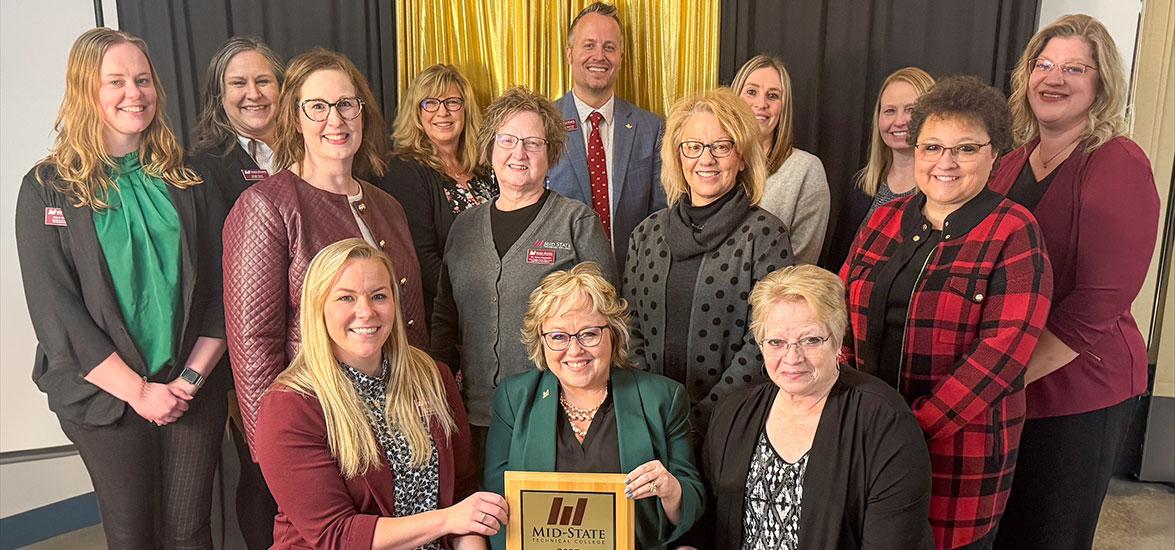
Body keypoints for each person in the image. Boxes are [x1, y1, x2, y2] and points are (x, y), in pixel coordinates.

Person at [15, 27, 228, 549]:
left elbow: (225, 288)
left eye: (143, 79)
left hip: (188, 389)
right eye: (117, 81)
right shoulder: (47, 188)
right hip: (104, 397)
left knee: (190, 532)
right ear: (87, 91)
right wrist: (138, 392)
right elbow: (55, 312)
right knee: (133, 535)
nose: (135, 93)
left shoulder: (191, 178)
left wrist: (188, 382)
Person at [840, 75, 1054, 549]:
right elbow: (837, 310)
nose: (946, 163)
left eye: (966, 148)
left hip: (959, 459)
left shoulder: (1015, 232)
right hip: (864, 448)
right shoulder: (884, 218)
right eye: (932, 147)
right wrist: (848, 415)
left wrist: (905, 431)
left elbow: (999, 359)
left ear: (994, 154)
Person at [989, 15, 1161, 550]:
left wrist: (1003, 378)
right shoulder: (1008, 164)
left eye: (1075, 68)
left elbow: (1098, 302)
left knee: (1050, 535)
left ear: (1100, 84)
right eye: (1044, 65)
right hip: (1012, 381)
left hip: (1082, 389)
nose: (1054, 78)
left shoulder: (1117, 162)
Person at [223, 49, 428, 457]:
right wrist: (276, 449)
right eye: (317, 107)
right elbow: (254, 344)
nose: (335, 120)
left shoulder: (388, 206)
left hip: (399, 416)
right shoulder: (267, 206)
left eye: (346, 105)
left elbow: (411, 320)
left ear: (362, 113)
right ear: (295, 119)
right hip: (321, 425)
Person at [256, 239, 504, 550]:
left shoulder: (433, 377)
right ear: (317, 307)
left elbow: (462, 497)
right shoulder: (290, 406)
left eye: (378, 296)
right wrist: (448, 520)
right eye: (346, 298)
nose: (366, 311)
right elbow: (336, 535)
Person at [431, 86, 616, 472]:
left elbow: (608, 322)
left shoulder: (575, 222)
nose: (519, 153)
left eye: (533, 143)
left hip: (556, 416)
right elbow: (446, 322)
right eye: (508, 140)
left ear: (550, 155)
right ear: (491, 148)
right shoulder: (464, 228)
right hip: (475, 416)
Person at [689, 265, 932, 549]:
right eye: (777, 342)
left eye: (811, 340)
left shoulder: (885, 421)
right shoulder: (733, 412)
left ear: (838, 339)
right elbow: (706, 520)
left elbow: (894, 542)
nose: (793, 357)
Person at [484, 263, 703, 549]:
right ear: (541, 341)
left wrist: (671, 489)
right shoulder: (514, 398)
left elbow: (692, 506)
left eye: (589, 334)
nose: (574, 350)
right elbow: (497, 505)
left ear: (613, 333)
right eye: (558, 336)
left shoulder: (663, 397)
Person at [624, 88, 794, 437]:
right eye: (694, 146)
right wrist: (654, 408)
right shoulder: (646, 234)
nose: (707, 159)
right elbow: (630, 327)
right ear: (678, 156)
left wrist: (702, 419)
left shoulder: (765, 235)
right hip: (650, 421)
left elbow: (766, 340)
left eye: (722, 146)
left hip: (733, 422)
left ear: (743, 156)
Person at [187, 36, 284, 549]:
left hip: (322, 336)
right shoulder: (204, 167)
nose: (253, 93)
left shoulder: (314, 143)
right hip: (245, 348)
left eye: (263, 80)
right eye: (238, 83)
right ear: (218, 95)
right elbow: (210, 272)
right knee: (263, 468)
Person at [548, 1, 666, 272]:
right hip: (564, 292)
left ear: (621, 58)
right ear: (569, 54)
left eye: (609, 47)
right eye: (589, 45)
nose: (599, 56)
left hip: (634, 286)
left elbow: (661, 219)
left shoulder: (651, 128)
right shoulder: (544, 124)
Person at [378, 64, 497, 322]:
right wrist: (475, 298)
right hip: (445, 316)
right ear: (417, 112)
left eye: (453, 102)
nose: (442, 112)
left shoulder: (485, 169)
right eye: (430, 103)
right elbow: (421, 259)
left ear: (465, 110)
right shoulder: (405, 171)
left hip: (495, 307)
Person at [827, 67, 936, 271]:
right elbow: (836, 264)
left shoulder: (942, 192)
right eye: (890, 111)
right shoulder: (861, 186)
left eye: (911, 110)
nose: (899, 121)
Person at [732, 54, 829, 264]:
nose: (761, 103)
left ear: (784, 107)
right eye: (751, 92)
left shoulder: (806, 170)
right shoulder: (713, 163)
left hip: (773, 294)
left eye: (773, 95)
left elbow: (801, 264)